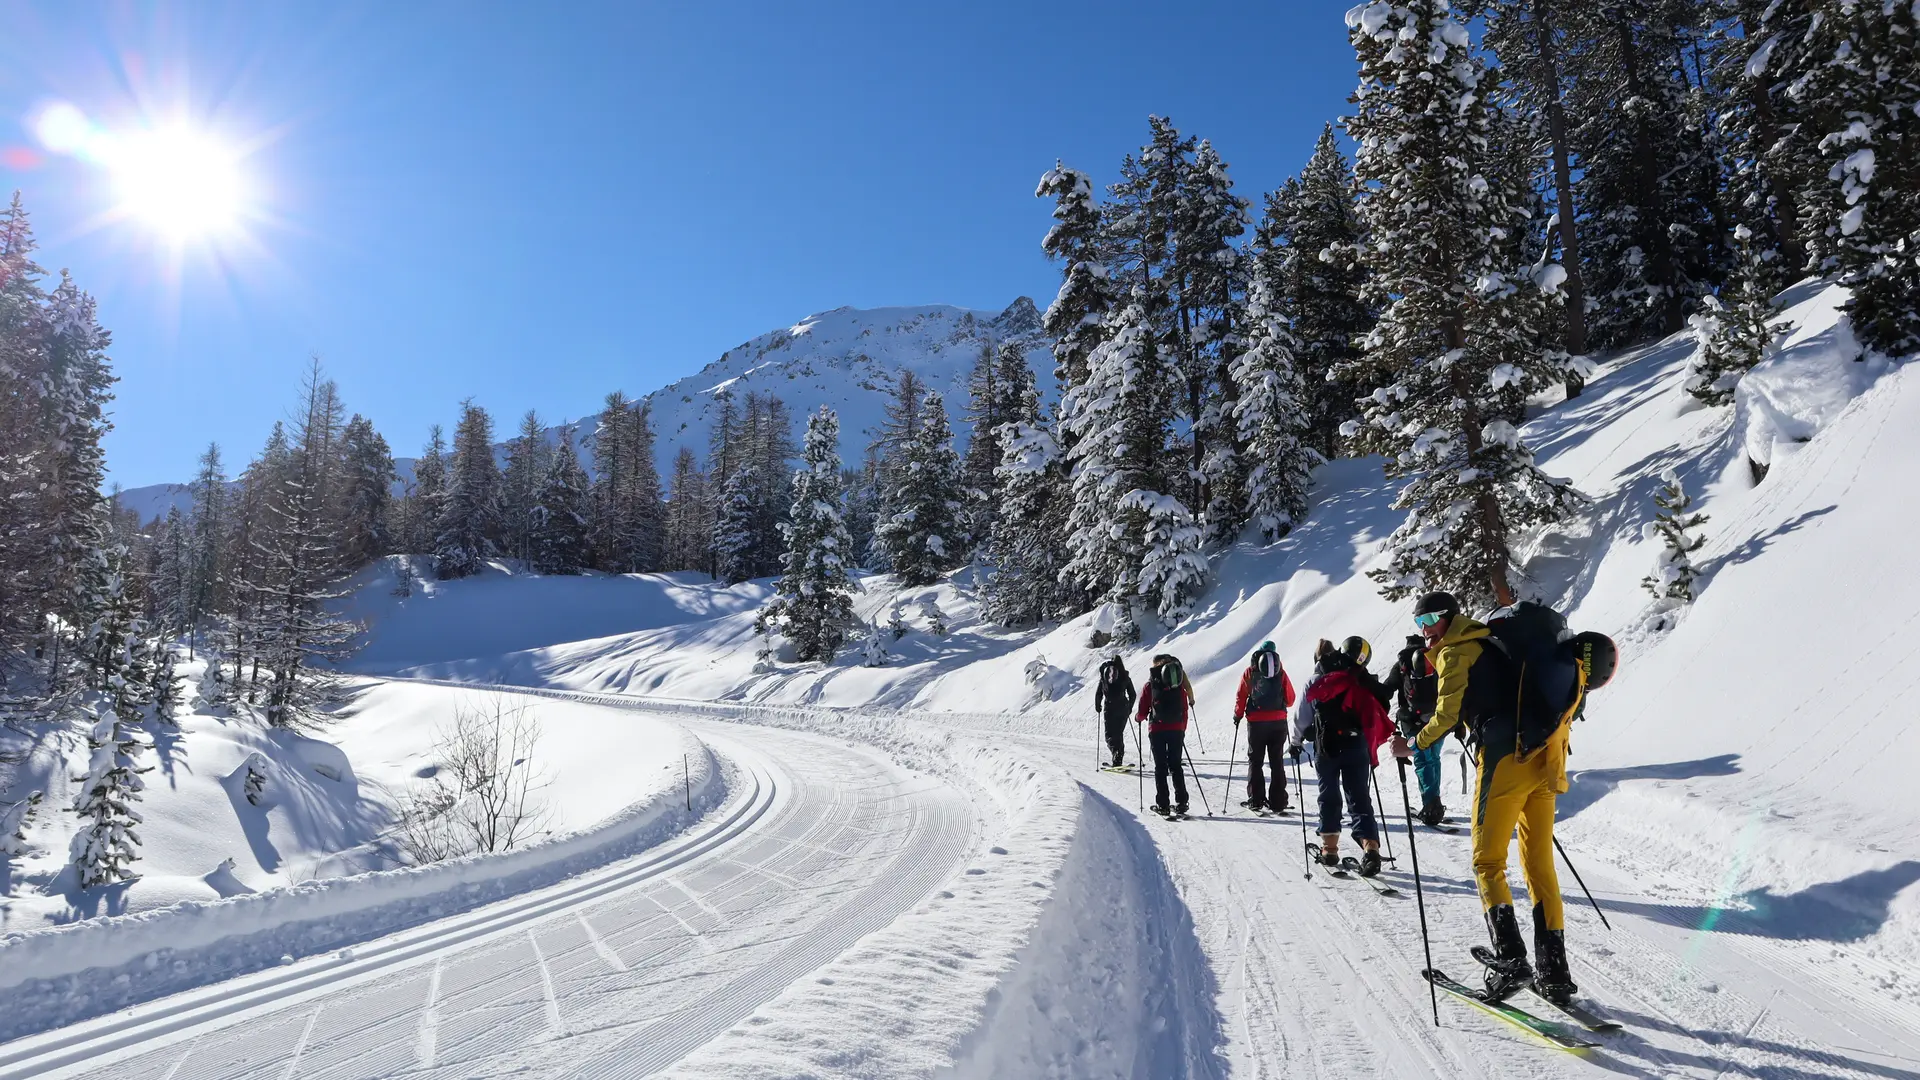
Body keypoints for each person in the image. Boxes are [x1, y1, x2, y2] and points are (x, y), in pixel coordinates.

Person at [1389, 590, 1577, 1004]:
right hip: (1544, 759)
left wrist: (1412, 744)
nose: (1426, 631)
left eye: (1430, 620)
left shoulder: (1461, 650)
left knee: (1487, 859)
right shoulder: (1494, 645)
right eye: (1420, 624)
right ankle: (1555, 974)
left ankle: (1511, 958)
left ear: (1448, 618)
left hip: (1505, 756)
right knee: (1539, 865)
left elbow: (1446, 714)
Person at [1291, 638, 1394, 875]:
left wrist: (1295, 743)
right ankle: (1371, 850)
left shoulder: (1315, 680)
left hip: (1326, 747)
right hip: (1357, 745)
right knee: (1359, 797)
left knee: (1328, 795)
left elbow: (1301, 719)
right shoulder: (1355, 677)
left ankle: (1330, 850)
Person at [1382, 633, 1447, 825]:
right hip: (1436, 719)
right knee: (1433, 759)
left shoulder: (1401, 664)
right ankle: (1434, 801)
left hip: (1412, 722)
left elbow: (1387, 689)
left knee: (1422, 761)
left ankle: (1430, 806)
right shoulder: (1434, 658)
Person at [1232, 641, 1296, 812]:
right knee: (1277, 761)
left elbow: (1241, 695)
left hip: (1256, 723)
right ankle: (1278, 801)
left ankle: (1256, 799)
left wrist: (1237, 715)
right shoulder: (1280, 673)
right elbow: (1290, 699)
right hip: (1278, 722)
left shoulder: (1250, 672)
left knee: (1256, 760)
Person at [1135, 653, 1194, 815]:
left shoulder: (1151, 685)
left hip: (1157, 730)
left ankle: (1163, 804)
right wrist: (1182, 728)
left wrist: (1138, 718)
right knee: (1176, 766)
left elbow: (1142, 710)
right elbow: (1184, 708)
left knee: (1160, 767)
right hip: (1176, 729)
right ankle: (1182, 802)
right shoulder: (1178, 685)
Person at [1094, 654, 1137, 767]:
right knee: (1118, 734)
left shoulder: (1105, 676)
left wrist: (1098, 705)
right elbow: (1132, 694)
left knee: (1109, 735)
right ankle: (1118, 758)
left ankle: (1116, 755)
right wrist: (1129, 707)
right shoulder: (1125, 676)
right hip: (1123, 707)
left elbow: (1099, 693)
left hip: (1109, 708)